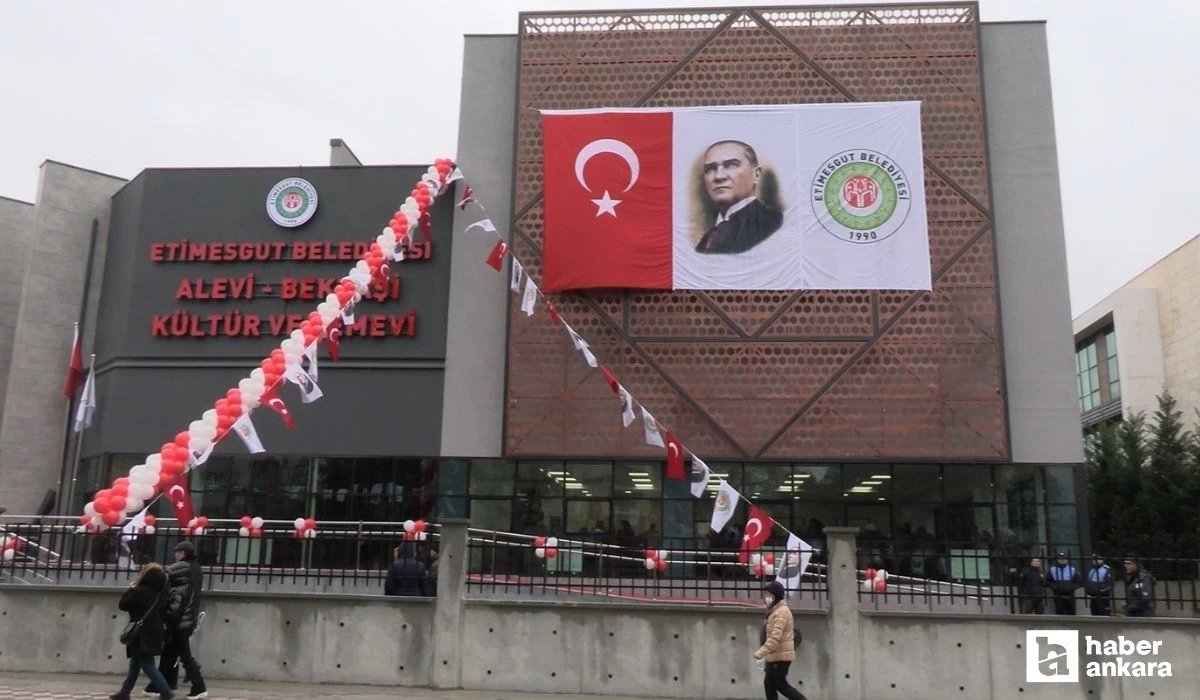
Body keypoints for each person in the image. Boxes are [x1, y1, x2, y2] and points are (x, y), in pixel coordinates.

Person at [694, 140, 783, 254]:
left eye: (731, 165)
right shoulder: (708, 238)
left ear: (756, 175)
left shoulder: (772, 224)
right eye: (710, 169)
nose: (718, 176)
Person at [146, 542, 206, 699]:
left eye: (178, 552)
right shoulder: (196, 568)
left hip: (179, 620)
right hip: (188, 617)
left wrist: (168, 615)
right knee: (169, 652)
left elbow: (172, 589)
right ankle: (159, 685)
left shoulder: (181, 568)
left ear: (184, 553)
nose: (176, 555)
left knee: (184, 655)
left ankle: (199, 686)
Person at [111, 563, 172, 700]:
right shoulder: (161, 593)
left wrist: (130, 590)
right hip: (155, 630)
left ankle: (165, 690)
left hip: (141, 632)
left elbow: (123, 605)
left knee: (146, 663)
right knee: (136, 662)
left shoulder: (140, 591)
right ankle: (125, 692)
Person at [754, 581, 806, 700]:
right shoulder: (774, 611)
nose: (766, 598)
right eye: (766, 595)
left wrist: (761, 652)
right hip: (775, 655)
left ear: (776, 596)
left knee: (780, 684)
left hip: (781, 656)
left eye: (769, 595)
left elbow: (775, 637)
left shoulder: (782, 612)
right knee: (769, 684)